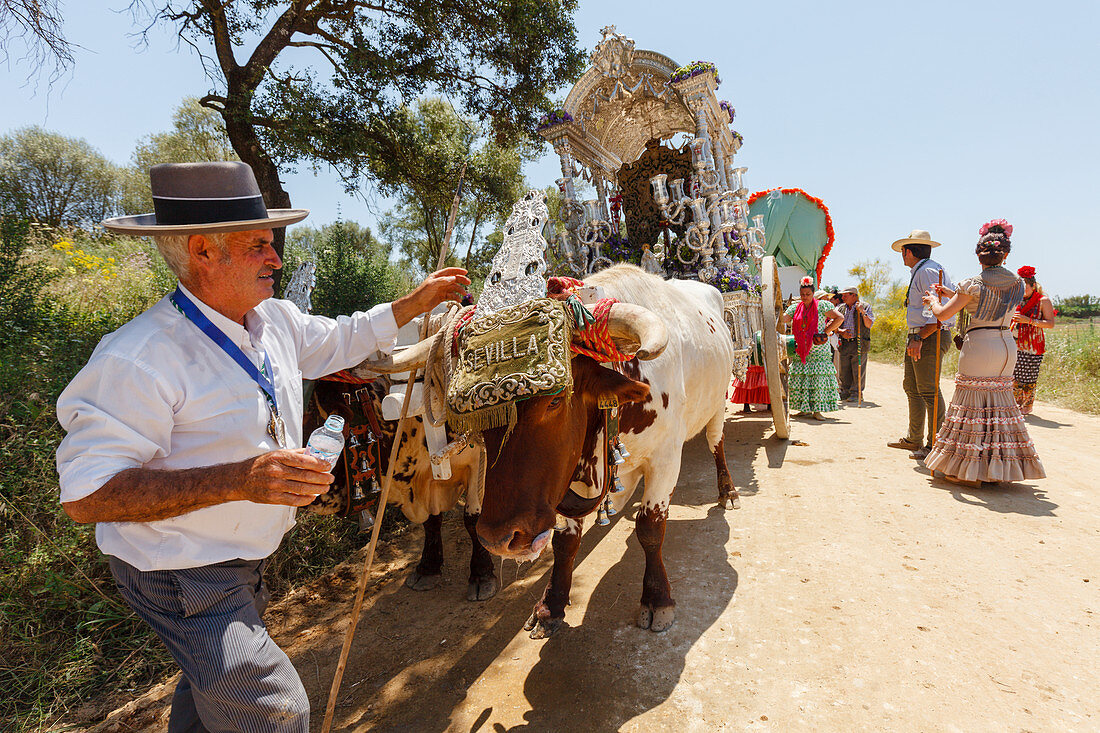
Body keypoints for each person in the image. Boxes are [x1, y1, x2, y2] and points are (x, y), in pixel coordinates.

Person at [55, 162, 471, 732]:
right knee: (274, 711)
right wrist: (241, 480)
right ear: (202, 250)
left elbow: (338, 340)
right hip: (182, 571)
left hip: (239, 564)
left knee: (212, 696)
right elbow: (87, 496)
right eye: (258, 245)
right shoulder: (138, 357)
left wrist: (413, 304)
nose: (276, 259)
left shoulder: (271, 321)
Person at [921, 219, 1045, 487]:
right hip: (1006, 345)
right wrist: (954, 293)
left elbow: (944, 314)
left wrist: (934, 300)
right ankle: (996, 468)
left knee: (972, 405)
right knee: (998, 406)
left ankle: (967, 471)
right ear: (1006, 255)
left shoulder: (971, 283)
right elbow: (992, 300)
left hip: (980, 345)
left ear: (978, 256)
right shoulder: (1017, 284)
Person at [886, 229, 955, 460]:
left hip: (928, 335)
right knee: (913, 387)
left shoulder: (927, 271)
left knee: (928, 389)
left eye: (902, 252)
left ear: (908, 252)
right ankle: (914, 438)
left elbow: (938, 313)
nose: (901, 256)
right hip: (920, 335)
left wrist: (919, 338)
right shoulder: (924, 270)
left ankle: (935, 445)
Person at [782, 276, 843, 419]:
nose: (805, 297)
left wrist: (826, 332)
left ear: (813, 293)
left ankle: (817, 410)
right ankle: (805, 409)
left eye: (808, 294)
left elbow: (839, 318)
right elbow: (782, 319)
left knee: (817, 380)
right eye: (802, 294)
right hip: (800, 350)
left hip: (819, 350)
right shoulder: (795, 308)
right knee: (803, 378)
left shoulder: (822, 306)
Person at [1011, 264, 1056, 414]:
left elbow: (1050, 324)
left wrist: (1028, 320)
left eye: (1025, 288)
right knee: (1014, 376)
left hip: (1033, 346)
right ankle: (1014, 405)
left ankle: (1026, 406)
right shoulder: (1016, 299)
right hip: (1014, 343)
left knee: (1029, 377)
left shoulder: (1043, 301)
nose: (1022, 291)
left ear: (1033, 286)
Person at [835, 285, 875, 402]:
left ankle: (856, 393)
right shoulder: (841, 308)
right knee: (844, 369)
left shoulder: (865, 306)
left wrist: (862, 312)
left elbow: (869, 324)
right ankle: (845, 391)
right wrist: (841, 332)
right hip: (845, 343)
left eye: (845, 295)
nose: (842, 297)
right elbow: (833, 324)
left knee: (858, 369)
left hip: (859, 342)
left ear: (854, 296)